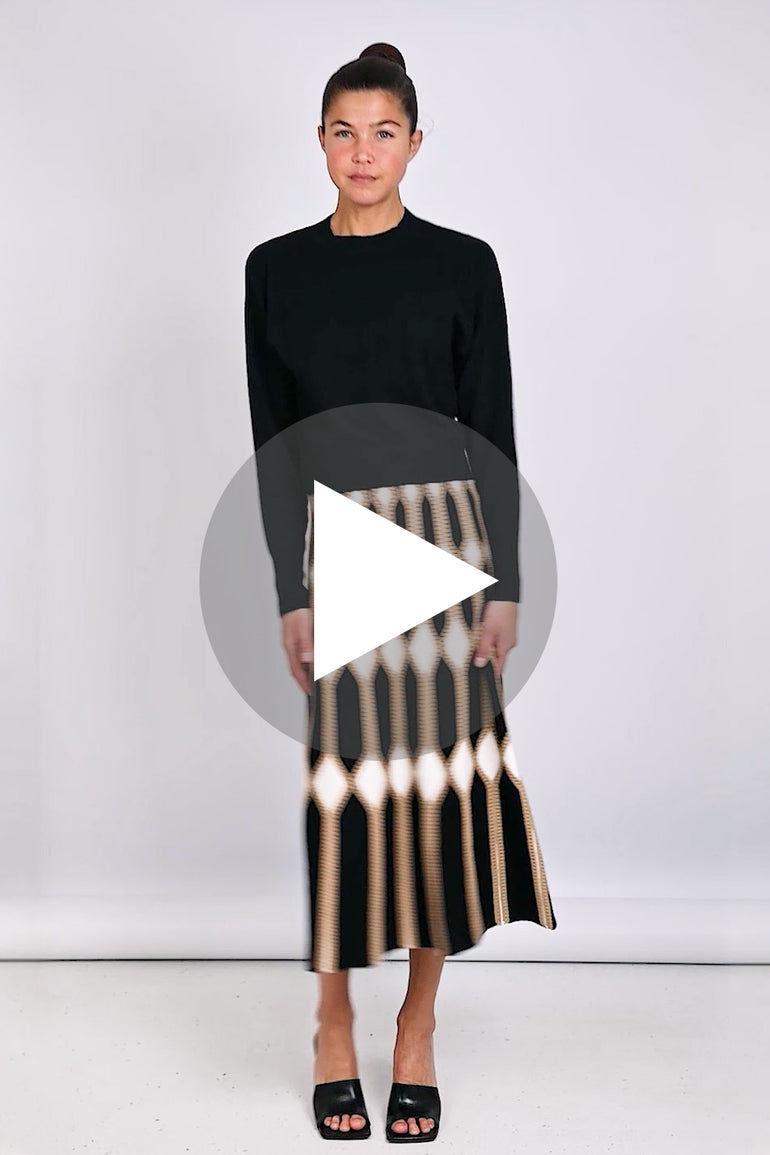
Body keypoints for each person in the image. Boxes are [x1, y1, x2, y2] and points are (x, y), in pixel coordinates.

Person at [244, 42, 557, 1143]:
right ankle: (331, 1024)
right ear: (319, 142)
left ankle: (415, 1028)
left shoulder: (462, 264)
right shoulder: (276, 269)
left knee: (438, 798)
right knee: (343, 797)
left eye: (383, 132)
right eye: (344, 131)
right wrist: (290, 587)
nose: (362, 151)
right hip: (341, 547)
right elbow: (276, 442)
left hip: (444, 547)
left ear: (414, 144)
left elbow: (491, 427)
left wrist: (504, 580)